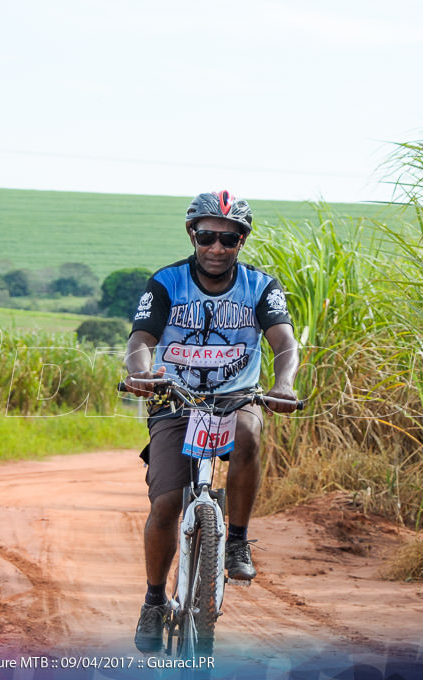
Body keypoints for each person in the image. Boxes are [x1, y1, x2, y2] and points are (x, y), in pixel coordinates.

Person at [123, 189, 300, 653]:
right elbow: (141, 338)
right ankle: (154, 599)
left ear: (242, 241)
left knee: (248, 432)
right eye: (207, 237)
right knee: (164, 505)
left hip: (236, 395)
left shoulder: (261, 286)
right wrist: (141, 373)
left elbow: (284, 342)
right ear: (192, 235)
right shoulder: (166, 282)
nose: (217, 248)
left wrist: (283, 385)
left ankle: (236, 540)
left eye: (229, 239)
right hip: (174, 398)